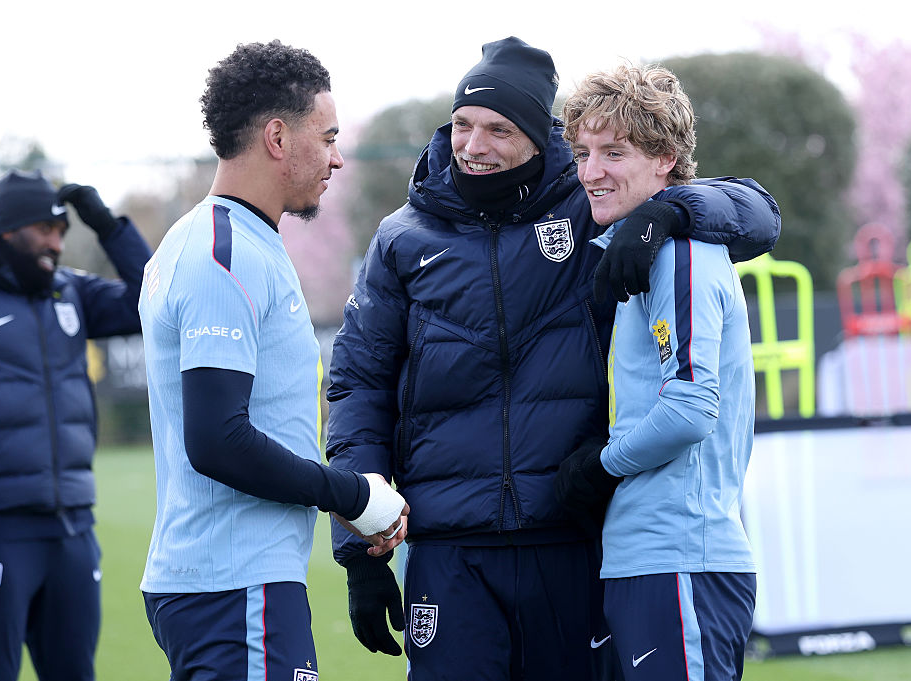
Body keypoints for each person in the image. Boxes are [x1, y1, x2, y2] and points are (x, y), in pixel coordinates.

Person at [325, 36, 780, 680]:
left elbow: (758, 213)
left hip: (571, 540)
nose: (473, 145)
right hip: (450, 551)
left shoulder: (592, 206)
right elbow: (357, 392)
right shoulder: (402, 239)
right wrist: (360, 552)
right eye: (461, 125)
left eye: (498, 129)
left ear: (542, 140)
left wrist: (674, 207)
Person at [137, 39, 409, 681]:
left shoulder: (231, 242)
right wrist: (349, 494)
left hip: (235, 586)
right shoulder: (220, 255)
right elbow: (217, 440)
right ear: (279, 138)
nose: (338, 158)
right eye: (329, 137)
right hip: (235, 588)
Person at [554, 63, 760, 681]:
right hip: (645, 556)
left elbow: (691, 409)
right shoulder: (638, 245)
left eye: (614, 152)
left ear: (666, 159)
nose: (592, 172)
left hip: (681, 555)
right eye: (584, 152)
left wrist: (598, 466)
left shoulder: (679, 253)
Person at [0, 170, 152, 681]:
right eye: (45, 229)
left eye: (62, 232)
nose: (56, 243)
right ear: (9, 230)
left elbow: (153, 300)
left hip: (74, 531)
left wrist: (109, 226)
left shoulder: (69, 292)